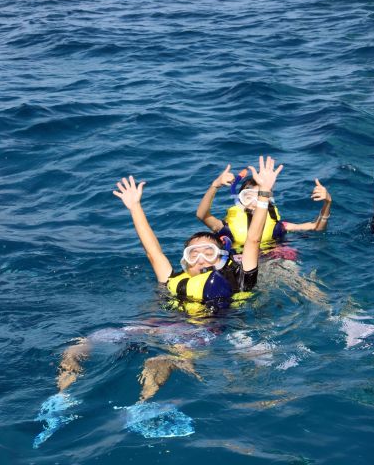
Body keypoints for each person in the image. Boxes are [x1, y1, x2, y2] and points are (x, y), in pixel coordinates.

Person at [34, 156, 283, 447]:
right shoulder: (173, 277)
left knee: (159, 360)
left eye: (209, 253)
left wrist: (264, 194)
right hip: (158, 325)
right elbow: (153, 251)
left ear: (221, 259)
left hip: (201, 332)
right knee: (80, 344)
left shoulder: (239, 278)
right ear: (184, 260)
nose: (201, 258)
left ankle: (142, 406)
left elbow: (252, 240)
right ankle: (61, 398)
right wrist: (135, 207)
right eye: (193, 254)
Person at [196, 164, 331, 250]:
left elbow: (317, 227)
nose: (255, 203)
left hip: (275, 260)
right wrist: (215, 186)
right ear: (239, 201)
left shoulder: (279, 225)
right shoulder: (227, 228)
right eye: (248, 197)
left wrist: (327, 203)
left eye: (260, 197)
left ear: (268, 200)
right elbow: (202, 215)